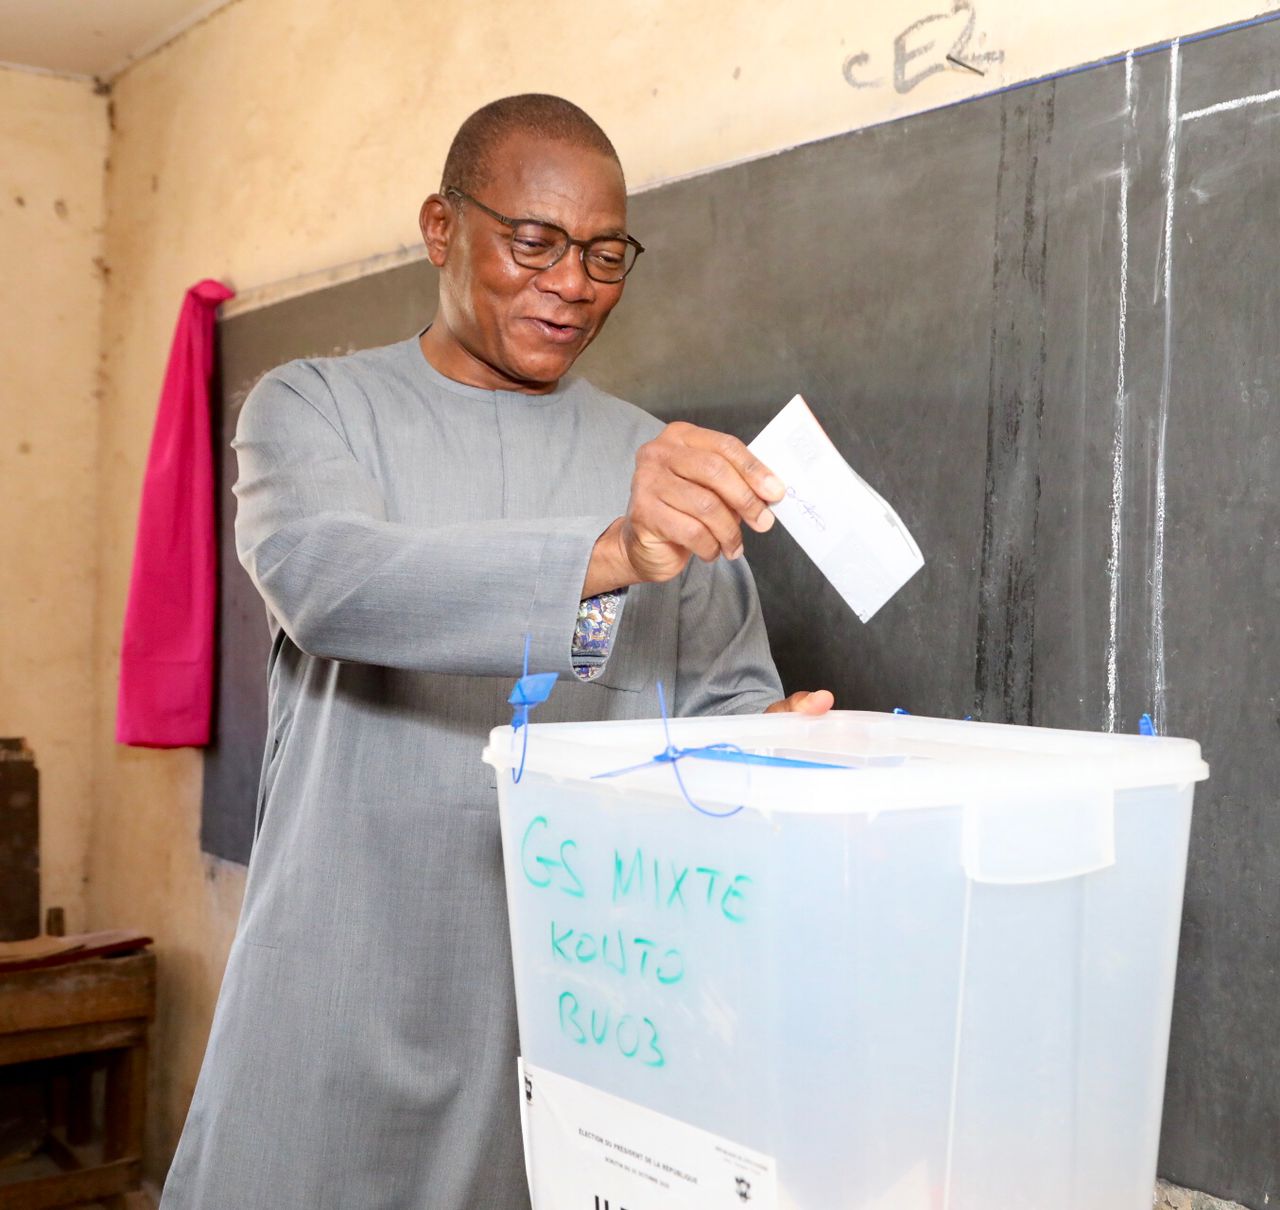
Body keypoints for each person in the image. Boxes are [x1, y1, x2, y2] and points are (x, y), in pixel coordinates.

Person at [161, 94, 832, 1210]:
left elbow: (721, 705)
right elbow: (329, 582)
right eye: (533, 242)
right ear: (441, 226)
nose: (570, 283)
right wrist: (611, 551)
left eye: (605, 254)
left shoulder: (652, 461)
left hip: (566, 1012)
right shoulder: (314, 407)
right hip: (338, 982)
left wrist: (767, 747)